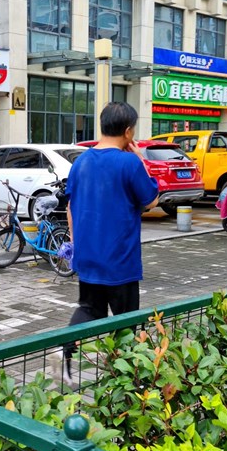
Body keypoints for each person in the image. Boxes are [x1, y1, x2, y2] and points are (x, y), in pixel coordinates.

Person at [57, 102, 159, 381]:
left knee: (89, 309)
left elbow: (70, 207)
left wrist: (76, 245)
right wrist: (141, 160)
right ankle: (125, 382)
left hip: (88, 257)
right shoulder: (129, 163)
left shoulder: (81, 162)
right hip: (120, 260)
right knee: (126, 322)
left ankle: (65, 351)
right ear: (128, 132)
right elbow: (151, 199)